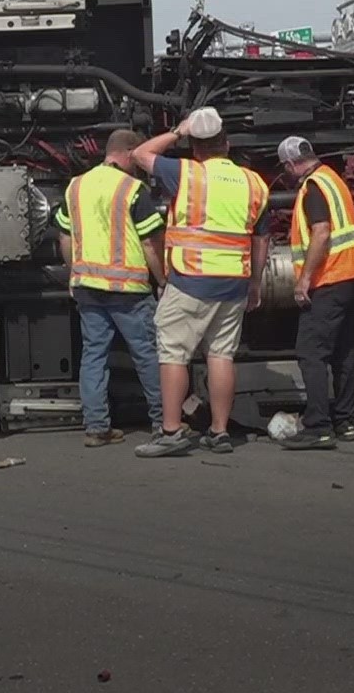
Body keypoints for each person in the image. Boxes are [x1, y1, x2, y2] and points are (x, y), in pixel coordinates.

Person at [128, 106, 270, 457]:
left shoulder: (186, 173)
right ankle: (220, 432)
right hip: (234, 282)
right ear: (227, 143)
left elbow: (139, 154)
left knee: (174, 353)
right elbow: (261, 240)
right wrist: (255, 282)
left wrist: (177, 131)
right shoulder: (254, 183)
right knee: (221, 355)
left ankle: (172, 431)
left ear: (195, 148)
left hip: (191, 279)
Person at [55, 129, 167, 447]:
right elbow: (148, 243)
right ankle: (164, 423)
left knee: (93, 355)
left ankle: (96, 427)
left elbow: (64, 238)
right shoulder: (133, 189)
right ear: (130, 153)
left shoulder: (76, 185)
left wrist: (73, 274)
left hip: (87, 286)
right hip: (128, 289)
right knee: (147, 354)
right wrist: (162, 279)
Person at [272, 136, 354, 451]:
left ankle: (318, 427)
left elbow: (322, 231)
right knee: (342, 353)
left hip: (328, 279)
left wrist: (304, 280)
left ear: (289, 164)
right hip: (350, 276)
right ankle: (345, 421)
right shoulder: (332, 179)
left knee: (311, 353)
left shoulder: (312, 187)